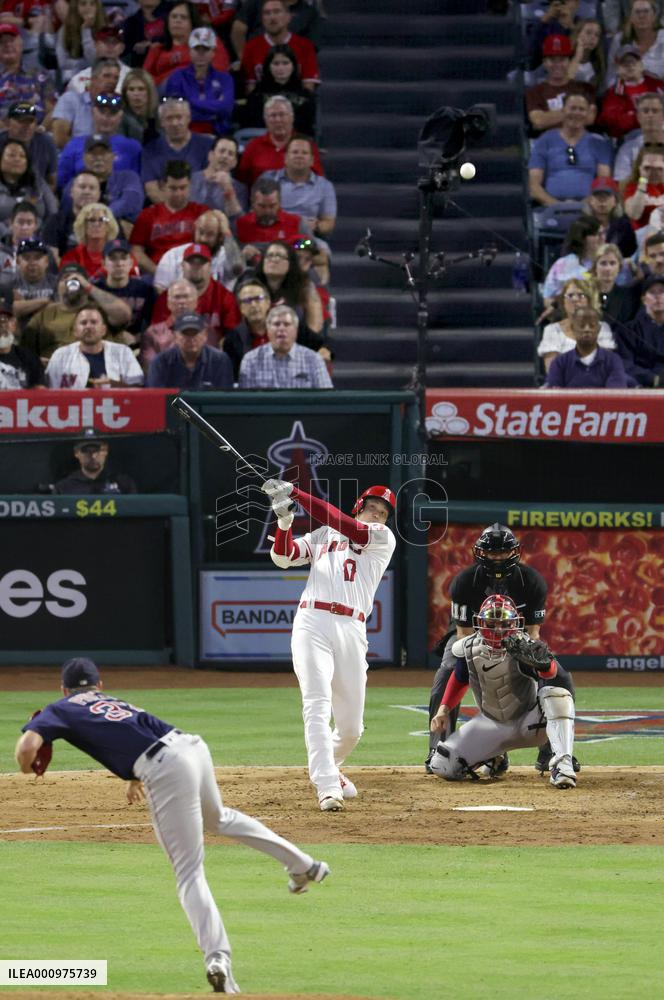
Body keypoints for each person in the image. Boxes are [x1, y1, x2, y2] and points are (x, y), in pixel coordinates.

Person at [15, 656, 329, 994]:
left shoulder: (60, 708)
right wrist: (134, 777)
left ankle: (217, 958)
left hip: (166, 769)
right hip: (192, 747)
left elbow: (27, 747)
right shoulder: (113, 702)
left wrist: (25, 766)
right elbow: (137, 733)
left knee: (188, 872)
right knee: (219, 818)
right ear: (99, 685)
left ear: (63, 689)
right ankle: (303, 865)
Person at [263, 477, 395, 809]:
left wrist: (296, 493)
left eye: (382, 512)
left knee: (351, 728)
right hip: (312, 621)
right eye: (372, 508)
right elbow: (284, 556)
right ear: (359, 506)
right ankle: (327, 786)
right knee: (317, 704)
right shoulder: (323, 535)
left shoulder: (382, 537)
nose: (377, 515)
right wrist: (284, 521)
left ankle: (330, 767)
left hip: (352, 627)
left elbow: (342, 522)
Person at [425, 523, 567, 775]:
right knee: (449, 669)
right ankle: (438, 746)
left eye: (503, 552)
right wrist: (483, 653)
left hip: (516, 637)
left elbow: (533, 632)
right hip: (472, 636)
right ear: (481, 552)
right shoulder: (464, 581)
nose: (498, 557)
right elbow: (463, 633)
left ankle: (551, 751)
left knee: (550, 673)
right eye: (492, 552)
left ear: (514, 552)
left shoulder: (531, 580)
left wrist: (526, 656)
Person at [428, 595, 578, 790]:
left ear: (514, 624)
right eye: (492, 623)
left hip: (529, 723)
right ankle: (492, 756)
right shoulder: (468, 648)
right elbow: (459, 679)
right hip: (491, 724)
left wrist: (545, 665)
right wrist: (443, 709)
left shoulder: (523, 646)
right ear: (480, 622)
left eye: (504, 624)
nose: (498, 629)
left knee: (557, 695)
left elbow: (554, 674)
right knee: (442, 765)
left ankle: (563, 766)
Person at [23, 262, 132, 359]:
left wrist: (88, 286)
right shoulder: (46, 314)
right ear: (57, 286)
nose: (71, 282)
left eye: (77, 279)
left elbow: (124, 314)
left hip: (97, 366)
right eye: (65, 278)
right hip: (55, 369)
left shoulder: (99, 311)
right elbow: (25, 348)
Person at [528, 91, 613, 211]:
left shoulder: (599, 143)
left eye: (581, 109)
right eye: (572, 108)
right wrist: (557, 206)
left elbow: (603, 183)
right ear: (563, 111)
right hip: (550, 208)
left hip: (589, 209)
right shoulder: (545, 140)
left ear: (588, 113)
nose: (577, 113)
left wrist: (581, 206)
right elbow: (534, 185)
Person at [150, 241, 241, 345]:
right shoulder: (167, 298)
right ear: (182, 266)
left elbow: (233, 336)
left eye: (201, 262)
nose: (196, 266)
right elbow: (157, 335)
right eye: (191, 262)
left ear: (210, 266)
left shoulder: (225, 297)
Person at [130, 159, 207, 274]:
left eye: (183, 188)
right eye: (173, 188)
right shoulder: (148, 215)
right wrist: (159, 273)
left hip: (193, 272)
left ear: (190, 185)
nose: (178, 193)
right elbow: (136, 251)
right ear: (163, 186)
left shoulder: (202, 213)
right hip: (157, 272)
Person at [236, 95, 323, 190]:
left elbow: (319, 182)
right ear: (265, 120)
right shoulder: (253, 146)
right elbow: (242, 183)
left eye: (282, 115)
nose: (278, 120)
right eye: (273, 115)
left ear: (292, 117)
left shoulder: (307, 145)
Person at [56, 94, 143, 190]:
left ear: (120, 117)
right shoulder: (74, 145)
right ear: (92, 113)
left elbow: (136, 183)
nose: (106, 118)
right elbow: (62, 183)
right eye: (102, 112)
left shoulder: (132, 147)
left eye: (112, 113)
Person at [45, 304, 144, 388]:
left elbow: (138, 388)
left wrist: (115, 385)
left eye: (94, 322)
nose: (88, 326)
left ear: (103, 330)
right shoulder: (60, 355)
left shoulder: (123, 352)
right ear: (75, 331)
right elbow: (49, 391)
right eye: (83, 323)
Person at [238, 303, 332, 387]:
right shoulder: (251, 360)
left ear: (296, 330)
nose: (281, 329)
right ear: (268, 329)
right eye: (276, 324)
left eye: (287, 324)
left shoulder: (314, 360)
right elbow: (246, 399)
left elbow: (326, 397)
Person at [141, 97, 214, 205]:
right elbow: (152, 190)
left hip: (201, 208)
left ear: (188, 118)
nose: (175, 123)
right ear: (161, 122)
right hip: (164, 210)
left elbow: (211, 185)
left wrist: (190, 210)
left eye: (179, 117)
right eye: (169, 118)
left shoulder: (207, 145)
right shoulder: (150, 150)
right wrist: (176, 210)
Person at [261, 134, 337, 238]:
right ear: (285, 158)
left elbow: (329, 223)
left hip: (304, 238)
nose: (299, 156)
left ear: (312, 160)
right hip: (272, 236)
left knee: (315, 247)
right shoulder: (268, 179)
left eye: (304, 153)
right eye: (295, 152)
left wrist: (316, 226)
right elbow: (256, 213)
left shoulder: (325, 186)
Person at [252, 239, 324, 346]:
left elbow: (315, 327)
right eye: (299, 257)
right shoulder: (251, 283)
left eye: (308, 259)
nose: (303, 263)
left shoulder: (307, 284)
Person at [64, 135, 144, 231]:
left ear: (113, 156)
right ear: (84, 158)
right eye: (93, 154)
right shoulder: (75, 183)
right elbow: (68, 212)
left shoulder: (128, 177)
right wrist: (106, 220)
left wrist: (102, 218)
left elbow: (130, 202)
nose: (98, 158)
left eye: (103, 153)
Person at [164, 27, 234, 136]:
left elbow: (226, 108)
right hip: (183, 133)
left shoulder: (225, 79)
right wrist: (213, 109)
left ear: (213, 52)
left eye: (205, 49)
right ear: (190, 51)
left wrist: (189, 101)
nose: (201, 54)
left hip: (217, 134)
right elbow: (175, 110)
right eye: (197, 49)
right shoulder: (177, 76)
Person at [143, 1, 229, 88]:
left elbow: (219, 69)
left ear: (192, 22)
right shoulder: (157, 49)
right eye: (174, 16)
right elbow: (144, 80)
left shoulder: (210, 42)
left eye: (183, 17)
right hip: (164, 90)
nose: (177, 20)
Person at [240, 0, 320, 93]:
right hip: (262, 99)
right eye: (267, 13)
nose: (272, 17)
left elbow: (309, 86)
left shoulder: (305, 46)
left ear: (288, 17)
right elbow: (250, 86)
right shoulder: (251, 47)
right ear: (262, 19)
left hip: (297, 98)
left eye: (277, 12)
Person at [154, 208, 243, 291]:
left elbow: (238, 268)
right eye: (201, 232)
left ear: (220, 237)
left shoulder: (226, 255)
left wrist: (226, 232)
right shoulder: (173, 255)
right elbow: (161, 289)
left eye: (210, 234)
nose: (203, 239)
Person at [525, 33, 596, 138]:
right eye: (552, 59)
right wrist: (577, 112)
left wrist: (550, 117)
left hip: (580, 141)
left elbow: (589, 118)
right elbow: (538, 121)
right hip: (548, 143)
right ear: (544, 62)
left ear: (569, 61)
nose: (557, 64)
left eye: (562, 59)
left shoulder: (585, 88)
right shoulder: (534, 92)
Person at [538, 276, 616, 371]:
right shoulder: (552, 330)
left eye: (581, 295)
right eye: (570, 295)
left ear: (590, 301)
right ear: (563, 302)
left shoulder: (602, 328)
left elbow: (605, 366)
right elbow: (552, 370)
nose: (574, 299)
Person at [240, 43, 316, 136]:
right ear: (268, 66)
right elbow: (250, 124)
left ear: (293, 66)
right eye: (276, 63)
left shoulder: (305, 96)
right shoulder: (256, 95)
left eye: (285, 63)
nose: (280, 68)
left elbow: (307, 128)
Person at [544, 305, 632, 387]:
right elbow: (554, 395)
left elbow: (615, 394)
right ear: (573, 329)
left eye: (592, 325)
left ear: (599, 329)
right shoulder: (559, 363)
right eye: (581, 326)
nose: (587, 329)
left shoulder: (613, 360)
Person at [146, 311, 234, 389]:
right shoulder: (160, 363)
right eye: (186, 334)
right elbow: (157, 399)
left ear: (205, 335)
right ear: (175, 336)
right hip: (173, 403)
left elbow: (223, 398)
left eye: (195, 333)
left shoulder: (220, 360)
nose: (191, 339)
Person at [94, 237, 156, 344]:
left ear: (131, 263)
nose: (119, 263)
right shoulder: (95, 289)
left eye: (123, 258)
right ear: (103, 263)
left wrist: (136, 338)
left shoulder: (145, 290)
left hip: (136, 345)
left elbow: (155, 325)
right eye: (113, 258)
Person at [51, 57, 122, 149]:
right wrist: (92, 152)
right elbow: (60, 139)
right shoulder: (71, 100)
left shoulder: (118, 105)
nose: (112, 81)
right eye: (107, 76)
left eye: (116, 78)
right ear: (93, 79)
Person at [596, 45, 664, 140]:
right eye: (625, 63)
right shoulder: (613, 93)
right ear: (618, 68)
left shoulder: (658, 85)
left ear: (641, 65)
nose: (630, 65)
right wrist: (642, 117)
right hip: (633, 137)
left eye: (634, 61)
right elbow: (612, 122)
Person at [540, 215, 602, 306]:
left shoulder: (609, 260)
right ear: (582, 238)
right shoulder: (562, 265)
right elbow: (548, 298)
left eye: (603, 233)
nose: (602, 238)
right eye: (597, 234)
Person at [53, 427, 138, 494]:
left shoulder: (123, 483)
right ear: (76, 453)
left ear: (106, 451)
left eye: (97, 450)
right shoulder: (63, 487)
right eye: (86, 451)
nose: (93, 456)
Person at [615, 272, 664, 384]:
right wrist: (653, 379)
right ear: (643, 299)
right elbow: (625, 363)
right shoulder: (627, 331)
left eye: (662, 291)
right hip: (641, 386)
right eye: (652, 292)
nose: (658, 296)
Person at [0, 23, 55, 122]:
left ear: (21, 45)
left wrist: (42, 128)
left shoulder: (41, 75)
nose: (7, 45)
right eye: (2, 42)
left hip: (38, 128)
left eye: (11, 40)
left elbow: (53, 110)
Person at [42, 170, 102, 261]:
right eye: (82, 187)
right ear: (71, 192)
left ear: (99, 194)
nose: (87, 192)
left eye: (92, 188)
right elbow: (51, 259)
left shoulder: (109, 221)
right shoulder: (55, 222)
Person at [231, 0, 322, 60]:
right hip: (255, 58)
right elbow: (238, 29)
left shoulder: (310, 12)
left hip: (291, 65)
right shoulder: (257, 2)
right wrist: (243, 57)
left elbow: (311, 47)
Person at [0, 138, 57, 231]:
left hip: (38, 235)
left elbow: (53, 211)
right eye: (11, 155)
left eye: (22, 156)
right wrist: (8, 234)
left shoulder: (37, 181)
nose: (17, 159)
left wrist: (43, 232)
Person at [59, 200, 125, 280]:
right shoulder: (71, 258)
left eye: (102, 220)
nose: (96, 224)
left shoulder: (123, 256)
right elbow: (68, 284)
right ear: (83, 226)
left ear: (109, 226)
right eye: (92, 220)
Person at [605, 0, 664, 87]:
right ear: (630, 17)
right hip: (627, 92)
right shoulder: (619, 40)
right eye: (637, 12)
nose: (642, 16)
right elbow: (611, 77)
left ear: (654, 16)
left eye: (646, 11)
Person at [0, 100, 58, 188]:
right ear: (8, 123)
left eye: (30, 121)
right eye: (21, 121)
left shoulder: (46, 142)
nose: (26, 126)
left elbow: (52, 182)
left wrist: (40, 195)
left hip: (36, 192)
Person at [141, 276, 197, 364]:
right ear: (168, 303)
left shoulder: (208, 332)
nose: (182, 302)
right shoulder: (152, 333)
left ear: (196, 302)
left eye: (186, 297)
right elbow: (150, 368)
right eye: (177, 297)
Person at [224, 278, 271, 379]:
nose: (253, 305)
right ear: (241, 308)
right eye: (247, 301)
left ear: (268, 302)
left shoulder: (285, 329)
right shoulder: (233, 339)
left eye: (258, 299)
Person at [614, 91, 664, 186]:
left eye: (655, 111)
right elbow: (620, 186)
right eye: (645, 111)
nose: (650, 115)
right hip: (639, 193)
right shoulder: (627, 149)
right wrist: (639, 174)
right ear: (638, 117)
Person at [8, 238, 58, 332]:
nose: (32, 262)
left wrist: (24, 305)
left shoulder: (58, 283)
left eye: (37, 258)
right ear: (18, 262)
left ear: (46, 261)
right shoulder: (8, 284)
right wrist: (46, 301)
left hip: (51, 332)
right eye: (26, 258)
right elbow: (11, 310)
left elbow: (59, 310)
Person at [190, 135, 246, 218]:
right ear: (210, 155)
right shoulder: (190, 180)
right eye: (222, 151)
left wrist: (228, 188)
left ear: (235, 162)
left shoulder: (240, 189)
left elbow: (239, 220)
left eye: (230, 154)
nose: (225, 156)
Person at [581, 176, 637, 259]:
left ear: (615, 201)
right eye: (597, 196)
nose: (602, 201)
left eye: (607, 196)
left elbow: (630, 254)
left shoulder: (624, 225)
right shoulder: (581, 224)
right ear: (590, 200)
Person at [236, 176, 302, 245]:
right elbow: (232, 248)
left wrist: (292, 245)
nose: (267, 211)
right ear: (252, 202)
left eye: (272, 206)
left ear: (280, 202)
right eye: (262, 206)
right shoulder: (241, 224)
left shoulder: (296, 222)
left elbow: (309, 244)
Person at [589, 242, 641, 329]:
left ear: (619, 267)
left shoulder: (627, 296)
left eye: (612, 263)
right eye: (603, 263)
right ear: (595, 267)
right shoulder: (585, 294)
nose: (608, 268)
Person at [66, 25, 130, 95]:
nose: (110, 46)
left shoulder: (131, 76)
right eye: (105, 41)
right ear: (96, 45)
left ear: (122, 48)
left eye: (115, 42)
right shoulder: (78, 79)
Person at [55, 4, 108, 87]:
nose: (88, 8)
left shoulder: (105, 29)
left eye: (92, 4)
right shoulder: (64, 30)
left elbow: (94, 61)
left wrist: (86, 30)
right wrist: (83, 64)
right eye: (83, 4)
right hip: (73, 79)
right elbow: (62, 62)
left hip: (101, 78)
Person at [624, 145, 664, 232]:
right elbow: (634, 215)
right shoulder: (633, 187)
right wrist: (643, 180)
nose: (653, 172)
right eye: (648, 168)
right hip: (644, 235)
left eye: (658, 168)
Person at [0, 305, 42, 387]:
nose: (2, 327)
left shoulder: (29, 357)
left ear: (14, 325)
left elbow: (40, 389)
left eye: (4, 320)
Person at [123, 0, 169, 68]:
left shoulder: (171, 17)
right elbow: (126, 48)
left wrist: (152, 43)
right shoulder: (131, 22)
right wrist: (135, 47)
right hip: (141, 66)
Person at [120, 68, 160, 143]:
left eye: (141, 89)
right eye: (131, 89)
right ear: (125, 93)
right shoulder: (120, 118)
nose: (136, 94)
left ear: (149, 92)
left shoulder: (159, 116)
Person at [567, 18, 606, 91]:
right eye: (588, 32)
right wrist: (578, 56)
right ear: (577, 34)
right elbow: (565, 84)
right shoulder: (566, 57)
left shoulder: (597, 64)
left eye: (597, 35)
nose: (593, 37)